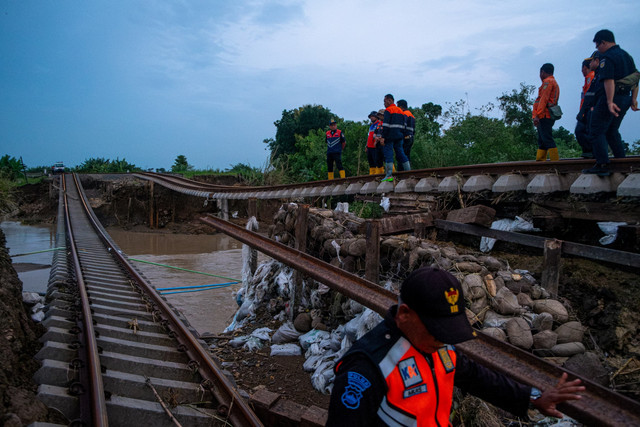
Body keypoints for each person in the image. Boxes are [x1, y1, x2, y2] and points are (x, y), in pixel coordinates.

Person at [327, 267, 585, 426]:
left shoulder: (437, 348)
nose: (444, 340)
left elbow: (476, 377)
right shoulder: (367, 368)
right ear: (404, 314)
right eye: (436, 330)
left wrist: (533, 397)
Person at [583, 29, 639, 176]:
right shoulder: (626, 56)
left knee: (596, 129)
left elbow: (609, 80)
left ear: (603, 42)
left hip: (612, 98)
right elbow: (635, 78)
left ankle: (602, 164)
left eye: (597, 45)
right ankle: (622, 162)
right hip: (625, 98)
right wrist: (633, 99)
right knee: (612, 130)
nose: (597, 49)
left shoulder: (607, 57)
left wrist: (609, 102)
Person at [532, 63, 560, 162]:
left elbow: (543, 100)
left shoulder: (548, 82)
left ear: (542, 72)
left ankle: (555, 162)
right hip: (545, 115)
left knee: (547, 139)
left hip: (545, 115)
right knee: (542, 140)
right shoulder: (552, 82)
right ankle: (540, 161)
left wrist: (537, 116)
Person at [380, 94, 410, 182]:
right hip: (399, 136)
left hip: (389, 136)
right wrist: (402, 135)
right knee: (401, 153)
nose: (384, 103)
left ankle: (389, 175)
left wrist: (383, 137)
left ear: (390, 100)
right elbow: (404, 125)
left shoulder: (388, 110)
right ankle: (409, 172)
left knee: (388, 154)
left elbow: (385, 125)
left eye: (385, 101)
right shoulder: (400, 111)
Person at [575, 54, 597, 158]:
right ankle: (589, 152)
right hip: (586, 110)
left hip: (588, 110)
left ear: (584, 68)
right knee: (583, 131)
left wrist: (583, 111)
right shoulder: (589, 78)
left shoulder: (591, 77)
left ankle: (590, 151)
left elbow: (589, 97)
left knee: (580, 131)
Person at [397, 99, 415, 171]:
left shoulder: (404, 114)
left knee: (402, 155)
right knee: (407, 155)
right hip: (410, 137)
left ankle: (402, 172)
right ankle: (407, 171)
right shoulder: (411, 115)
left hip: (405, 137)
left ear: (401, 107)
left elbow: (403, 125)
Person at [366, 111, 383, 175]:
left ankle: (378, 174)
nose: (371, 118)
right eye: (370, 117)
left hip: (375, 146)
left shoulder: (379, 124)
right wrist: (366, 146)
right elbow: (369, 136)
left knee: (377, 161)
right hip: (369, 146)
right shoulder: (371, 126)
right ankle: (371, 175)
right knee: (371, 162)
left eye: (372, 116)